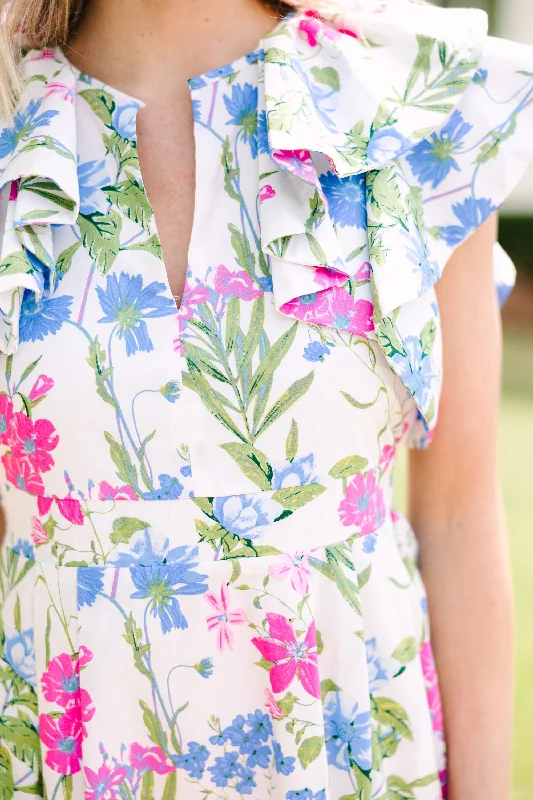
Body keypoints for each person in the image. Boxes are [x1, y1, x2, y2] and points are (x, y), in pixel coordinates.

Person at [0, 0, 530, 798]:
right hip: (72, 752)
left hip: (355, 759)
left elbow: (454, 516)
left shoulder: (416, 103)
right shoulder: (13, 118)